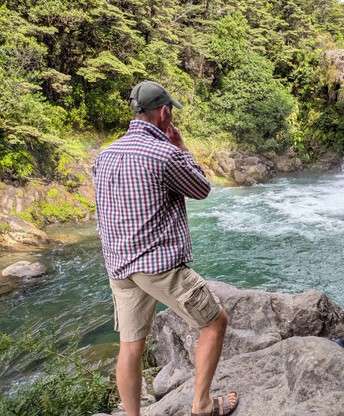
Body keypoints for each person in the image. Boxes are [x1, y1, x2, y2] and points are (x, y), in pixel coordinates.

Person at [93, 80, 239, 416]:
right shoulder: (165, 153)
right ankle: (202, 405)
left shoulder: (106, 153)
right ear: (163, 112)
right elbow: (201, 188)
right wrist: (182, 145)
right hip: (157, 265)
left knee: (130, 346)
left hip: (119, 263)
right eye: (170, 111)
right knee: (215, 321)